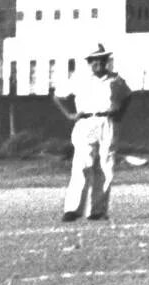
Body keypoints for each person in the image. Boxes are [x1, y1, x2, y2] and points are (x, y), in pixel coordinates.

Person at [56, 44, 131, 220]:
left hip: (107, 121)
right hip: (86, 121)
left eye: (102, 59)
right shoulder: (79, 78)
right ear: (89, 61)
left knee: (106, 166)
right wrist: (69, 115)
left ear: (106, 61)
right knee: (82, 165)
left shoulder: (115, 80)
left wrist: (120, 112)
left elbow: (128, 96)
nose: (99, 62)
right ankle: (72, 209)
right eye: (95, 59)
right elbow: (58, 96)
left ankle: (97, 210)